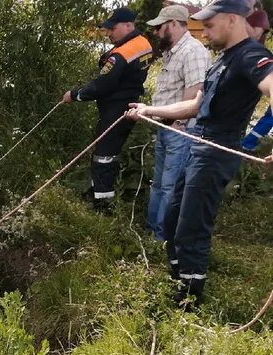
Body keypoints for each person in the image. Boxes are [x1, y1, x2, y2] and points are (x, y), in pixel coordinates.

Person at [126, 0, 273, 309]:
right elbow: (194, 106)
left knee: (192, 225)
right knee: (172, 218)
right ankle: (177, 276)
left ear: (233, 20)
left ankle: (190, 298)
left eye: (209, 25)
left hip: (216, 152)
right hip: (196, 143)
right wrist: (148, 109)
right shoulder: (223, 60)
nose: (203, 32)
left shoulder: (252, 55)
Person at [62, 7, 154, 211]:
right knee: (110, 152)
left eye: (113, 28)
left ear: (128, 25)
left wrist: (75, 95)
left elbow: (101, 85)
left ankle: (103, 204)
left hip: (116, 109)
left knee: (104, 155)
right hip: (129, 104)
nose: (110, 33)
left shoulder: (122, 54)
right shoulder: (143, 44)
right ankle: (102, 193)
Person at [144, 4, 212, 239]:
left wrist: (177, 125)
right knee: (159, 185)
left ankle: (162, 239)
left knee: (170, 188)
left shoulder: (193, 52)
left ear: (173, 24)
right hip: (165, 128)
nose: (156, 32)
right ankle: (152, 231)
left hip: (180, 131)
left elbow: (194, 97)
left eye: (159, 27)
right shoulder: (172, 51)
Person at [243, 1, 272, 150]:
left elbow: (254, 36)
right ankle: (247, 142)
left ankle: (247, 142)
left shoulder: (260, 15)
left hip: (256, 64)